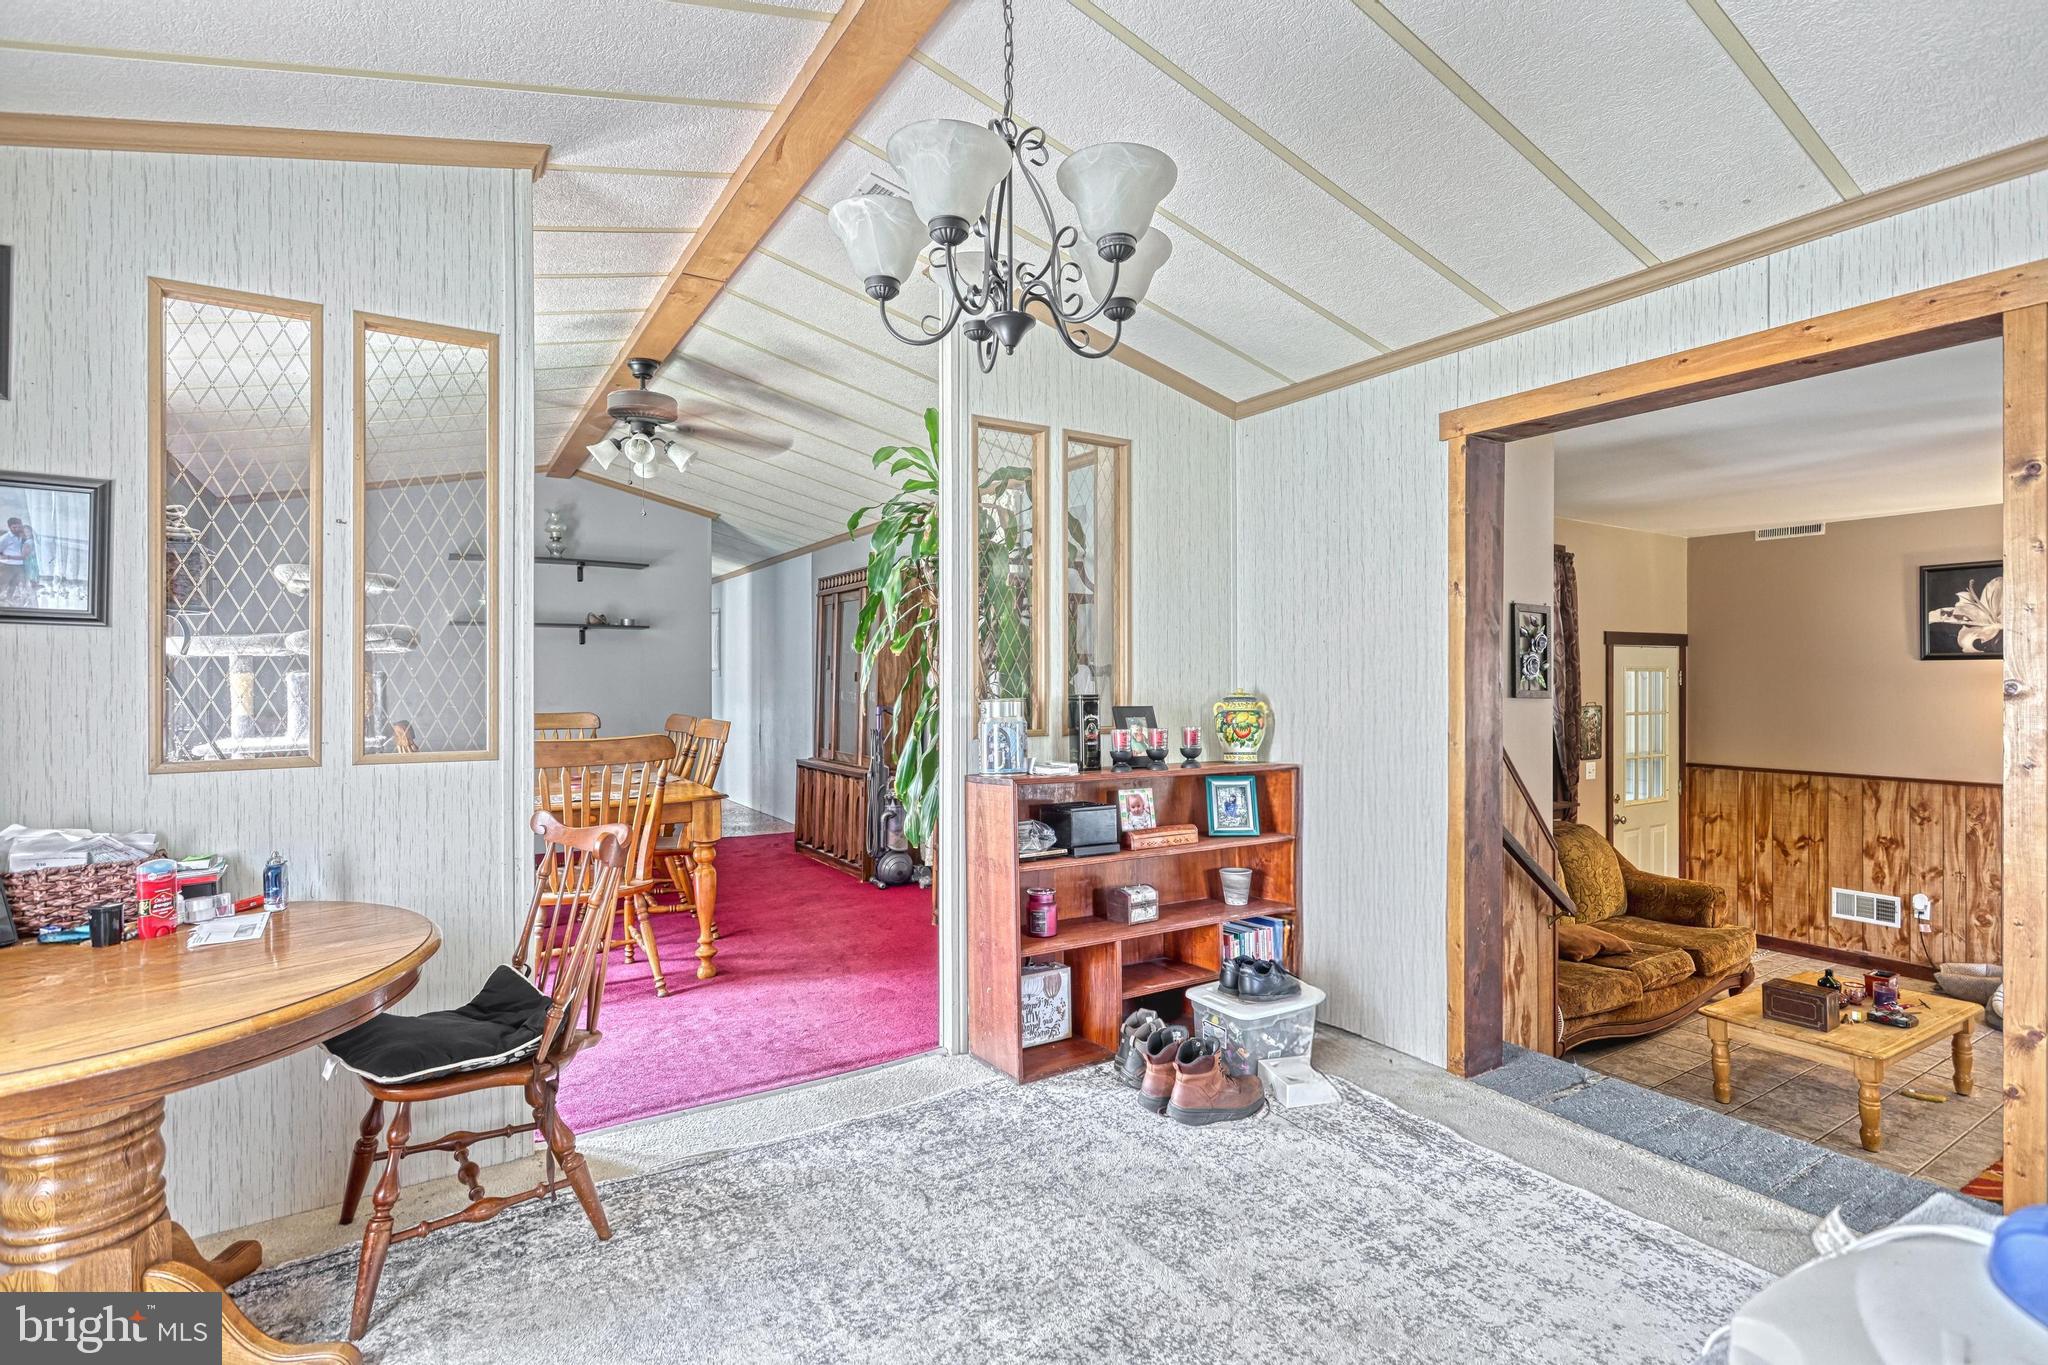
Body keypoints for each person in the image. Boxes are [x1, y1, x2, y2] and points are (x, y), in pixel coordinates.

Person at [0, 515, 35, 609]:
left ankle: (9, 600)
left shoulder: (21, 535)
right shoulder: (5, 538)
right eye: (14, 527)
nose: (17, 529)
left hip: (19, 565)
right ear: (10, 527)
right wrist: (6, 557)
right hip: (7, 565)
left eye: (19, 526)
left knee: (14, 584)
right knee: (2, 584)